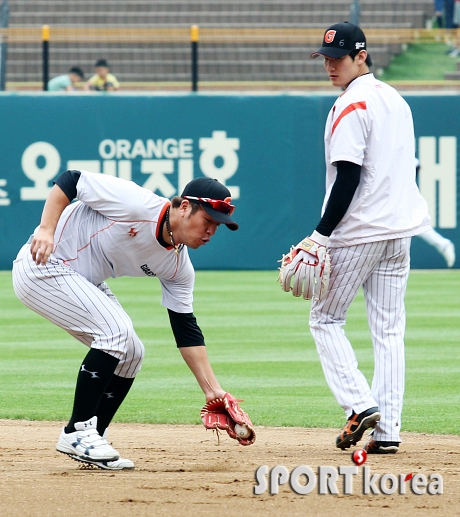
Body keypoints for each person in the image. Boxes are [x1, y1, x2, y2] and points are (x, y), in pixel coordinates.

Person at [12, 170, 241, 470]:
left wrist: (212, 390)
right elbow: (70, 180)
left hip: (82, 280)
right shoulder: (136, 204)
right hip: (42, 265)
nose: (212, 230)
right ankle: (76, 431)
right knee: (116, 332)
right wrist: (46, 228)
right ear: (184, 207)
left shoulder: (178, 266)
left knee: (132, 351)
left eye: (218, 226)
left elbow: (186, 328)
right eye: (208, 220)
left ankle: (93, 438)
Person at [297, 21, 431, 454]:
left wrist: (320, 234)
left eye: (338, 58)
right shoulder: (395, 99)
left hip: (361, 231)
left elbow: (349, 175)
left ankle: (359, 405)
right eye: (326, 58)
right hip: (399, 230)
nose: (330, 66)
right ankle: (388, 429)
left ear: (362, 56)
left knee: (325, 319)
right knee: (389, 330)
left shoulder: (351, 104)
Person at [415, 159, 456, 267]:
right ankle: (443, 244)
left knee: (417, 226)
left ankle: (443, 244)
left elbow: (416, 164)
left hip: (402, 199)